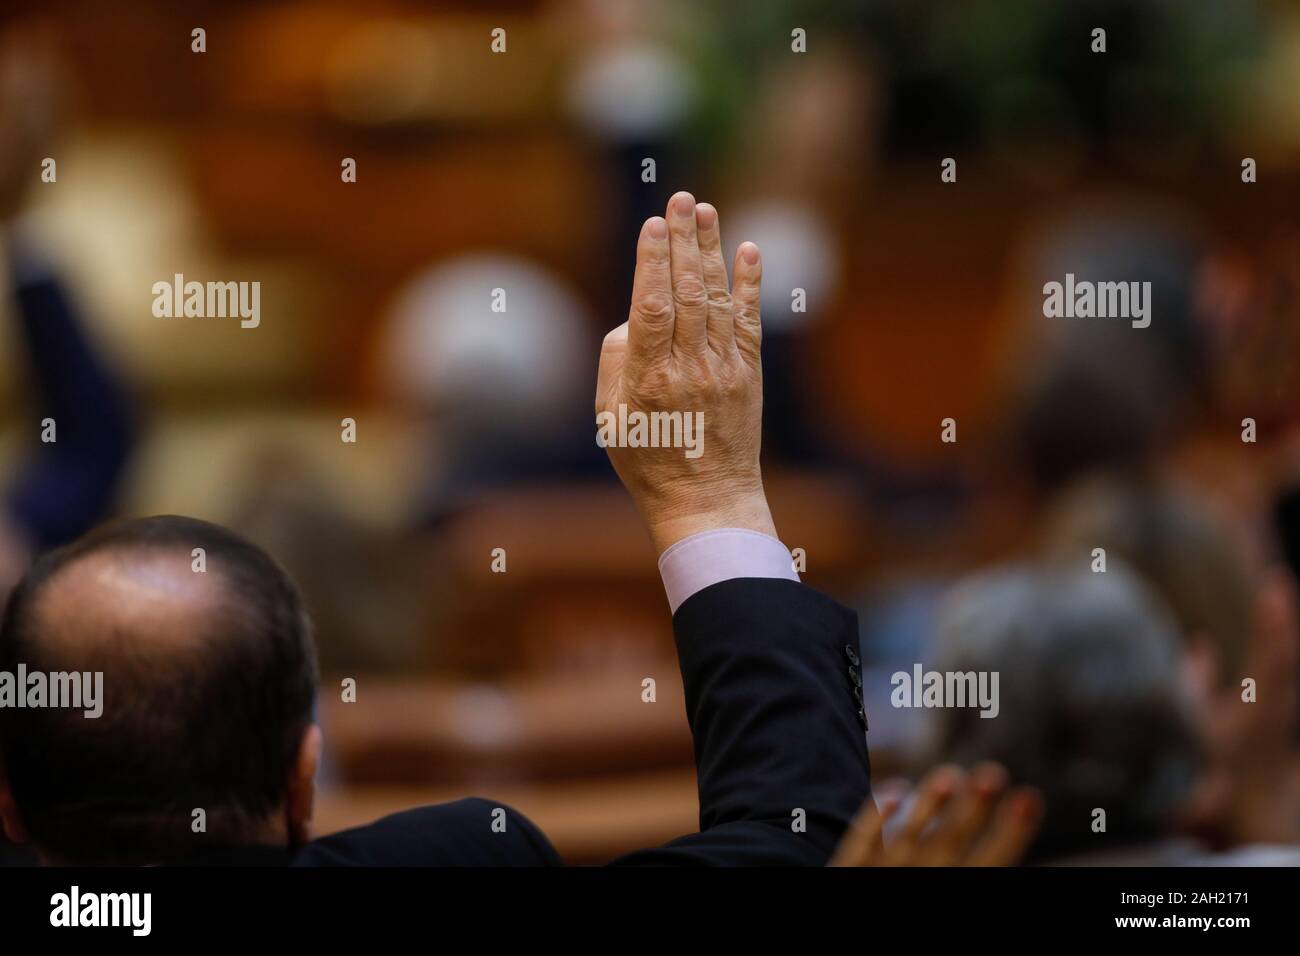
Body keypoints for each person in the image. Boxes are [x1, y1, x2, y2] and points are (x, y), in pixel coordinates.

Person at [0, 193, 871, 866]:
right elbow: (794, 845)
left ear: (8, 802)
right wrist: (706, 497)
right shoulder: (466, 859)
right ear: (305, 780)